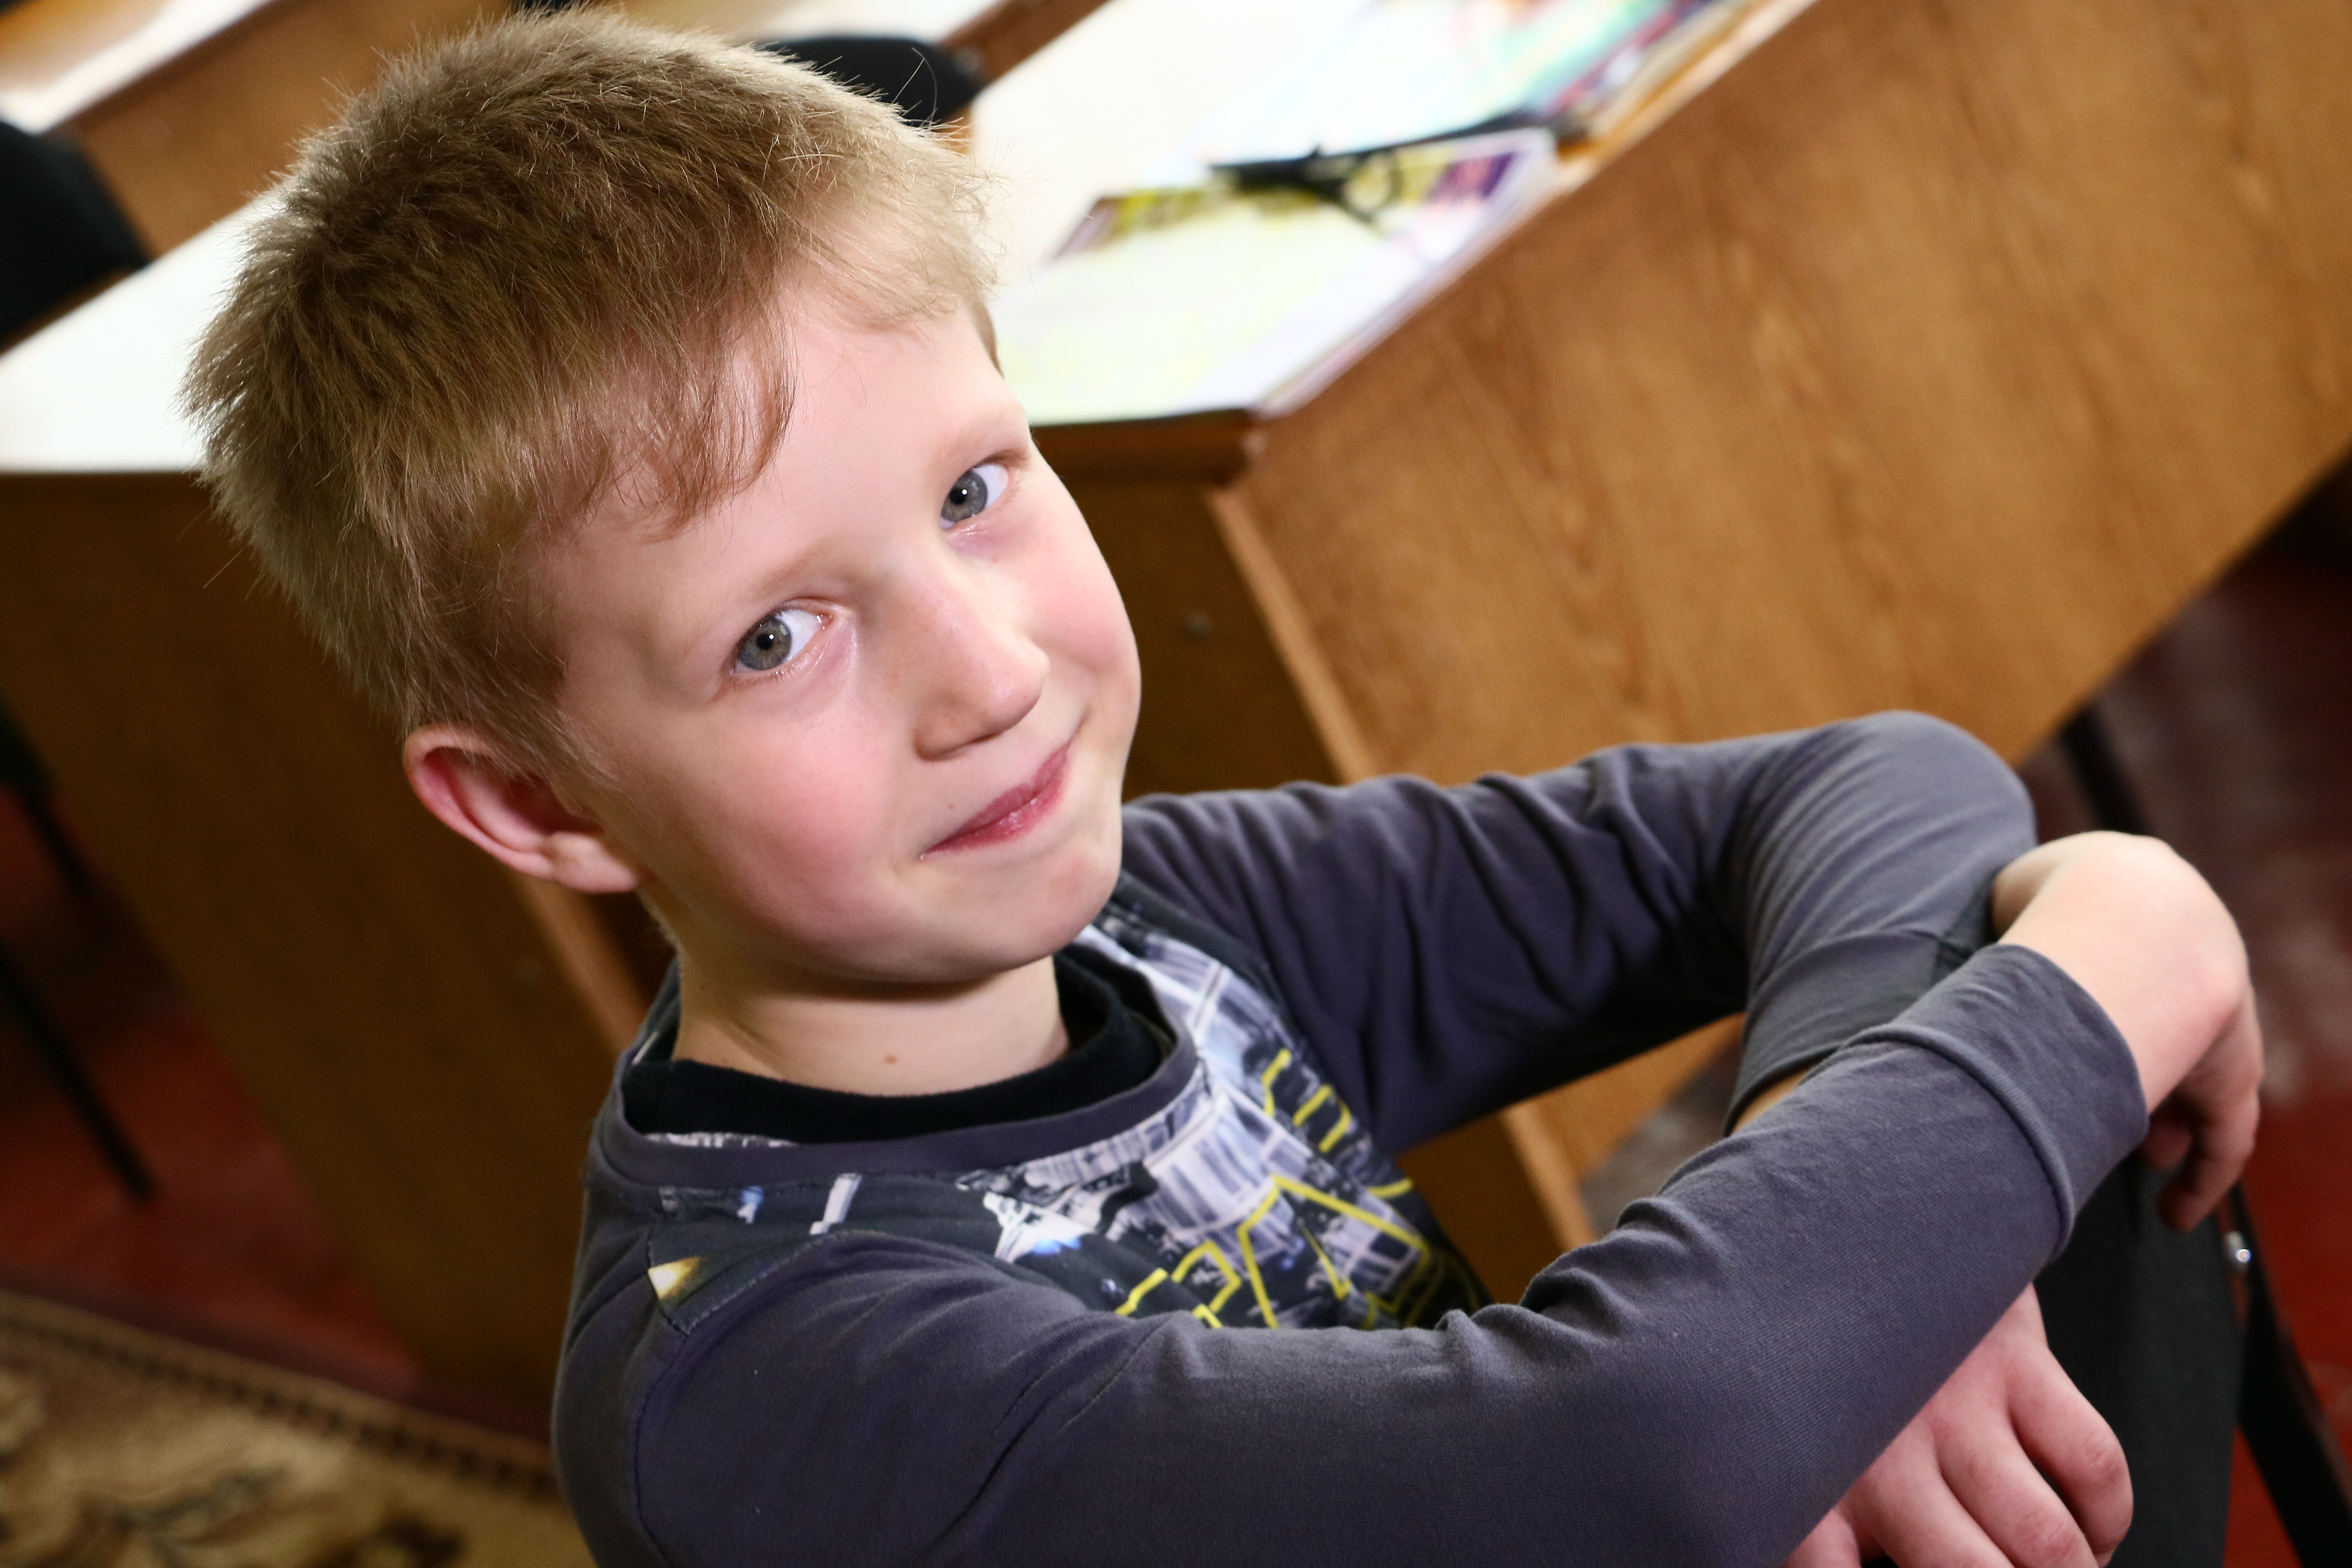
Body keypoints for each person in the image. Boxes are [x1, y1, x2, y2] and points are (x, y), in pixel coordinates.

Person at [180, 15, 2261, 1565]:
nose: (992, 678)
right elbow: (1633, 1454)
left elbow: (1871, 785)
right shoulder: (746, 1387)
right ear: (539, 805)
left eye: (975, 492)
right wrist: (2127, 950)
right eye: (777, 637)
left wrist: (1860, 1210)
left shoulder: (1161, 921)